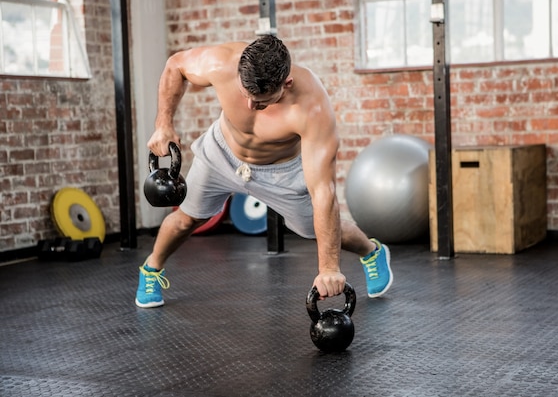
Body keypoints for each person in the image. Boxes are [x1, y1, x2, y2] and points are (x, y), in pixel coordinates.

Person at [135, 34, 393, 308]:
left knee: (314, 228)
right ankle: (151, 270)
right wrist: (163, 123)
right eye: (246, 95)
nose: (250, 106)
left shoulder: (312, 108)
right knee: (186, 219)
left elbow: (323, 192)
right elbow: (176, 65)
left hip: (280, 171)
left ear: (287, 83)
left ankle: (371, 252)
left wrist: (328, 267)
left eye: (262, 102)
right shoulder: (221, 63)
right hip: (221, 152)